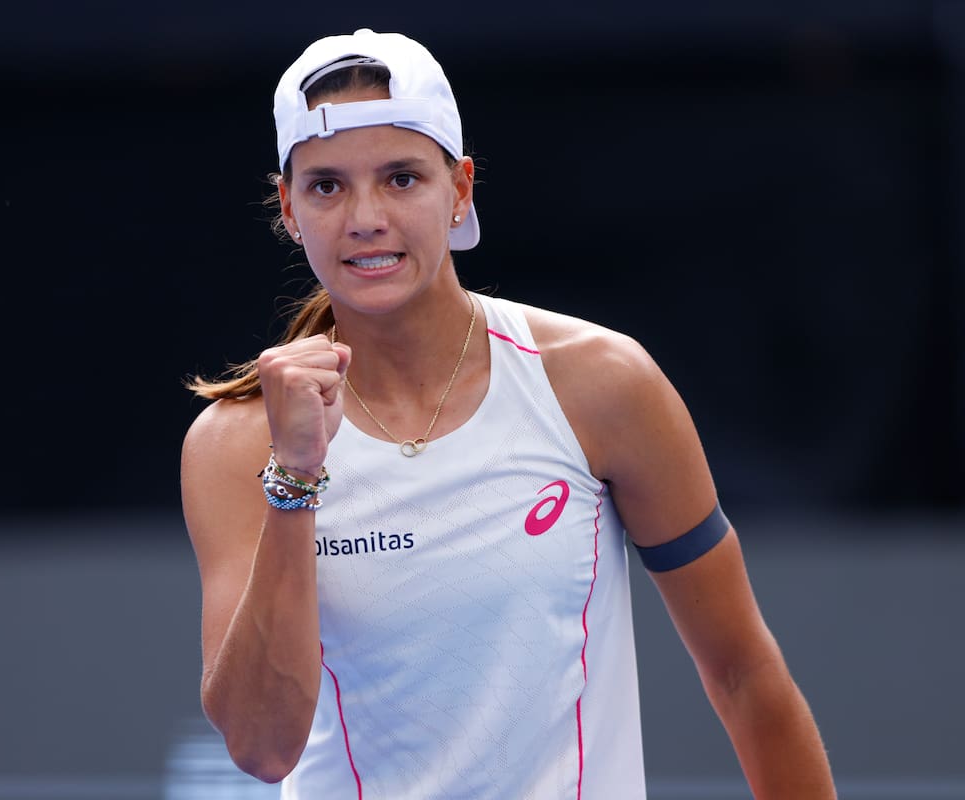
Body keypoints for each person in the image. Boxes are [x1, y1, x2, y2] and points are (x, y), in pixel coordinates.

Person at [181, 28, 836, 799]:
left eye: (400, 178)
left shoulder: (600, 384)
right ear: (288, 207)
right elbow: (261, 749)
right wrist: (294, 476)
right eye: (327, 186)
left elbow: (744, 673)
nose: (364, 217)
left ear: (459, 190)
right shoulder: (237, 442)